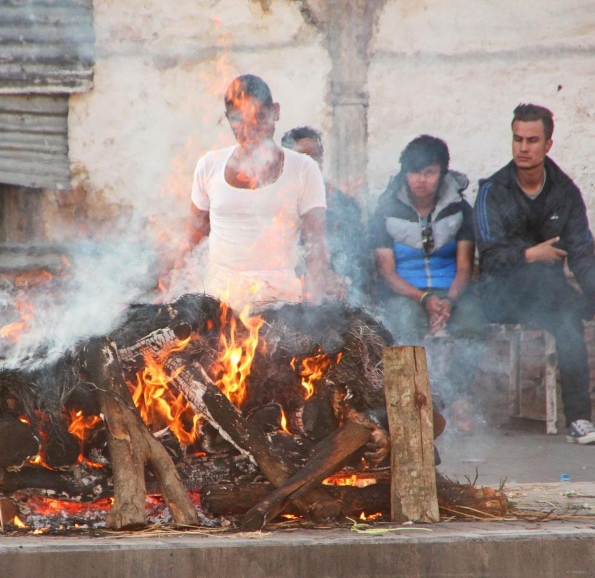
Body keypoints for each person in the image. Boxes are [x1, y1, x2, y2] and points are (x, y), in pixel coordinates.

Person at [474, 103, 595, 446]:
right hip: (498, 297)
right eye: (517, 139)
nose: (523, 148)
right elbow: (489, 259)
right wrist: (532, 254)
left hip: (549, 300)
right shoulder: (492, 191)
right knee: (541, 278)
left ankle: (579, 421)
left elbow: (581, 252)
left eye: (532, 140)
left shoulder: (565, 192)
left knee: (566, 321)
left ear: (548, 145)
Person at [181, 74, 340, 309]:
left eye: (260, 117)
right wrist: (176, 293)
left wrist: (314, 309)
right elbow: (192, 240)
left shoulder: (304, 169)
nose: (250, 128)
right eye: (238, 119)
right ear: (228, 119)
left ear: (275, 112)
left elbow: (316, 248)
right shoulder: (209, 165)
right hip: (217, 300)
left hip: (279, 301)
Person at [368, 135, 483, 423]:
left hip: (449, 291)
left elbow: (464, 268)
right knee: (402, 326)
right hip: (406, 292)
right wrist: (423, 298)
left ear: (442, 173)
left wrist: (449, 301)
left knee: (473, 325)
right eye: (414, 172)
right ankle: (413, 403)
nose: (421, 180)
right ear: (404, 174)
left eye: (429, 172)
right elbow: (386, 272)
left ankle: (454, 398)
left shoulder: (459, 210)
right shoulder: (386, 211)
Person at [280, 126, 370, 305]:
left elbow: (359, 256)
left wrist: (343, 279)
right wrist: (307, 281)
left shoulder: (343, 204)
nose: (310, 163)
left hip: (335, 291)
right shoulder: (274, 203)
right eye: (302, 157)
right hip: (288, 287)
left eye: (315, 156)